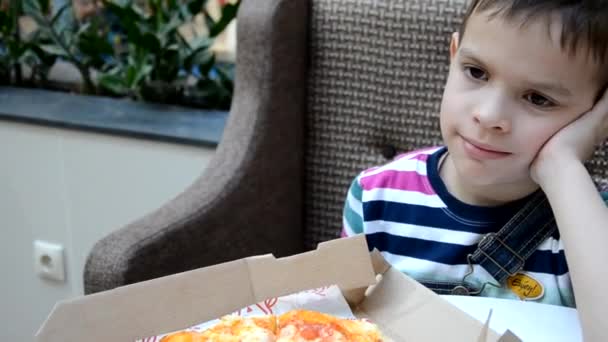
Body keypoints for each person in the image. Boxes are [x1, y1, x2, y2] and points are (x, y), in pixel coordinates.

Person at [341, 1, 608, 340]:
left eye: (538, 98)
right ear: (453, 55)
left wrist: (562, 165)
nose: (488, 114)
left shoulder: (592, 225)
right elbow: (338, 324)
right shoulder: (375, 198)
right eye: (476, 72)